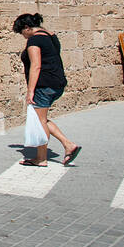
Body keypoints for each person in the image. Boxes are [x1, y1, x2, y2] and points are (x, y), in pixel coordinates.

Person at [13, 12, 80, 166]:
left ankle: (42, 158)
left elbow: (36, 66)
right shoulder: (50, 35)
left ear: (27, 28)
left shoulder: (34, 40)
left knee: (39, 120)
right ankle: (67, 145)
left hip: (44, 85)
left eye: (21, 32)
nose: (22, 35)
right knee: (41, 119)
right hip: (57, 83)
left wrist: (30, 91)